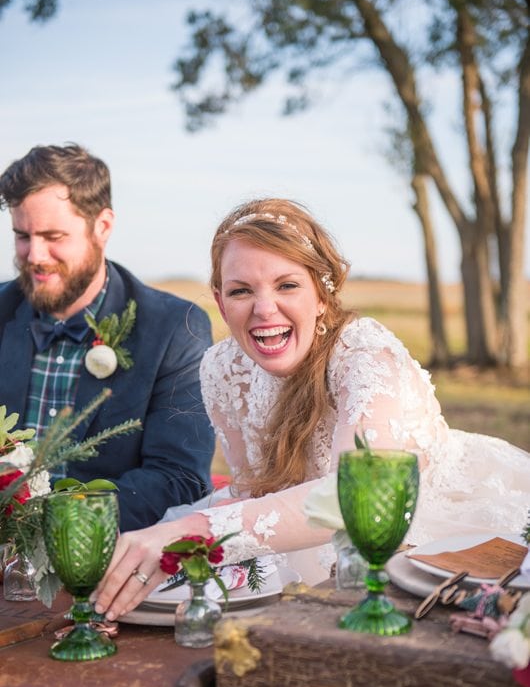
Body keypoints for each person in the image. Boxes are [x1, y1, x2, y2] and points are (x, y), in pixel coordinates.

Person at [95, 197, 530, 621]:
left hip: (421, 526)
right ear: (220, 300)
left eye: (287, 285)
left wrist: (191, 531)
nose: (264, 309)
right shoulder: (221, 367)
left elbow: (356, 501)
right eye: (241, 290)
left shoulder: (365, 356)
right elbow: (254, 493)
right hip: (304, 524)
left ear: (322, 294)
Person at [0, 143, 215, 531]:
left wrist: (53, 524)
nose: (34, 255)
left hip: (103, 561)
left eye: (53, 236)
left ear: (103, 226)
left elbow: (179, 479)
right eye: (22, 236)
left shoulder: (175, 327)